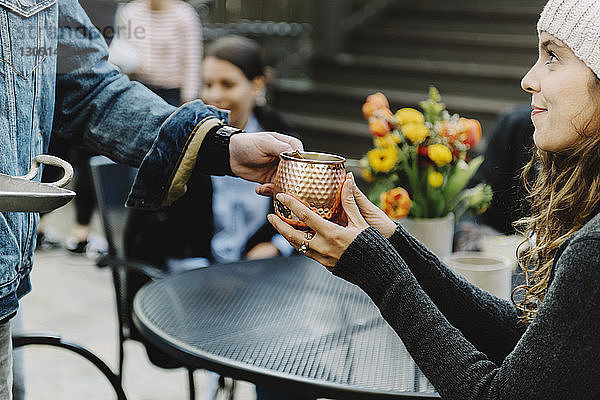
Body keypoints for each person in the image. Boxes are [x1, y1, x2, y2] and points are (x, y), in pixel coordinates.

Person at [265, 0, 600, 398]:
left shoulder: (592, 249)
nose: (529, 79)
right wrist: (392, 242)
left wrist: (378, 271)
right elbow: (528, 345)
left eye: (552, 55)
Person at [0, 0, 303, 397]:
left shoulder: (279, 130)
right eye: (212, 85)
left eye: (228, 85)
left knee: (289, 346)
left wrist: (215, 145)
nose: (219, 93)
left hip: (5, 285)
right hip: (204, 285)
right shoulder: (133, 14)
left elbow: (91, 89)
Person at [109, 0, 203, 106]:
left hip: (172, 92)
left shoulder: (185, 15)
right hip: (140, 87)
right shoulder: (131, 12)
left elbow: (192, 60)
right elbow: (122, 48)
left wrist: (188, 99)